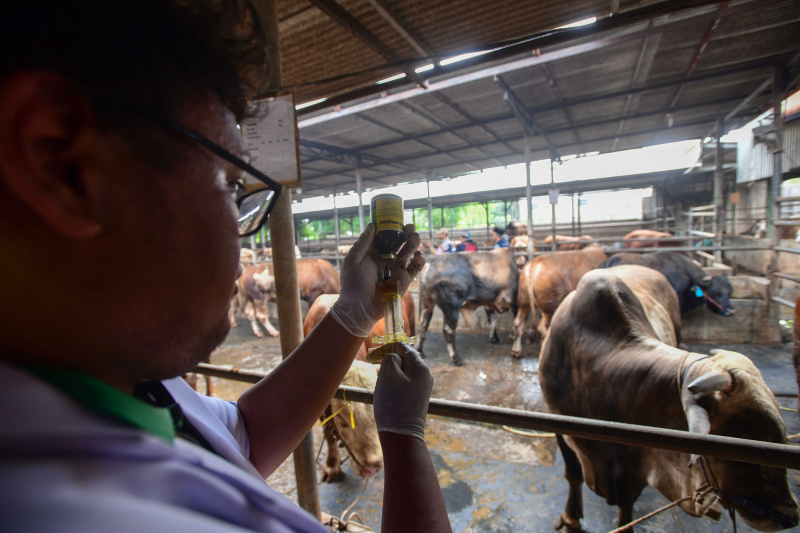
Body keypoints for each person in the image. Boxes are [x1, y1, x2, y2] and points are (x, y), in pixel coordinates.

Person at [0, 2, 451, 533]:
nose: (243, 254)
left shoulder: (124, 382)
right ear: (62, 163)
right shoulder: (101, 513)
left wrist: (354, 312)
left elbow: (242, 438)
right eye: (231, 186)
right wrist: (404, 438)